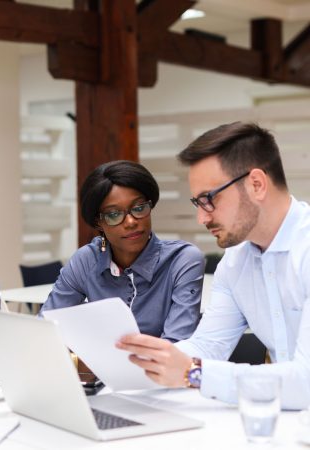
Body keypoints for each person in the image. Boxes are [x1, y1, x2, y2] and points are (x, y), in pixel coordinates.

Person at [117, 122, 310, 410]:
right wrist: (141, 358)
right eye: (198, 202)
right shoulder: (235, 262)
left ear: (256, 184)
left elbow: (305, 383)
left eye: (209, 199)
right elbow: (207, 347)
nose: (202, 218)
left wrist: (194, 373)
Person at [40, 160, 204, 342]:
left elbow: (177, 344)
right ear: (98, 223)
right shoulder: (86, 260)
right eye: (113, 214)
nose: (131, 222)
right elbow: (46, 328)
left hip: (165, 369)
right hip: (100, 369)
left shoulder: (182, 260)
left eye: (139, 208)